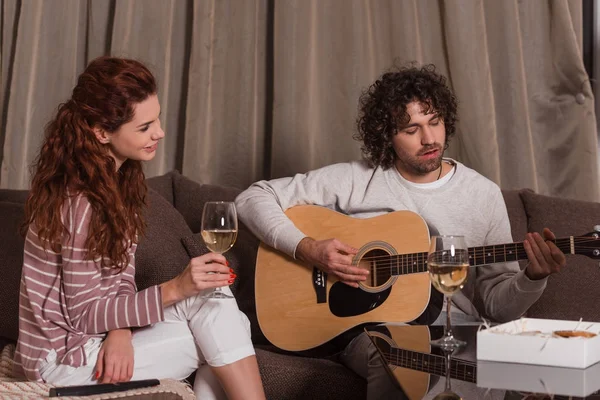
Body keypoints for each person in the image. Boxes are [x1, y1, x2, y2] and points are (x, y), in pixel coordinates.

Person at [235, 63, 566, 399]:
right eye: (411, 130)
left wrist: (532, 279)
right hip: (367, 329)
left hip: (454, 331)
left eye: (434, 122)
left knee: (541, 368)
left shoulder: (482, 195)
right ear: (386, 136)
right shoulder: (358, 179)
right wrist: (306, 248)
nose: (429, 139)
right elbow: (252, 197)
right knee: (399, 359)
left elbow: (496, 305)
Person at [14, 56, 266, 400]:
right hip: (64, 360)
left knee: (216, 302)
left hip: (97, 337)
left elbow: (117, 277)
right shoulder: (79, 204)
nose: (159, 132)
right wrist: (176, 288)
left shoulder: (115, 182)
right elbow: (83, 314)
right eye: (144, 127)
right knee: (223, 332)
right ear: (101, 132)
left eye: (157, 118)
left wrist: (121, 330)